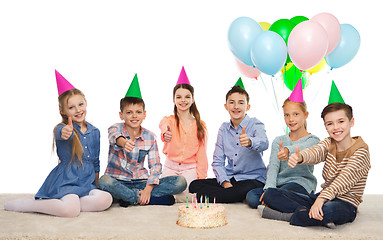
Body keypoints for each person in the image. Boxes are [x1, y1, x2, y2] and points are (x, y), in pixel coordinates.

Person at [259, 84, 371, 228]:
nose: (336, 127)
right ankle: (309, 215)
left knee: (327, 210)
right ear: (325, 126)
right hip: (321, 196)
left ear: (352, 122)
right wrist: (300, 157)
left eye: (341, 121)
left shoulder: (360, 151)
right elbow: (315, 152)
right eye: (330, 124)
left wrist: (321, 200)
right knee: (271, 194)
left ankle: (288, 216)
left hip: (345, 203)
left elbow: (342, 180)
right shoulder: (329, 143)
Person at [4, 70, 112, 217]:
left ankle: (70, 202)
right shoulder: (62, 129)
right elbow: (60, 134)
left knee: (106, 199)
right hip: (67, 181)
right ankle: (30, 204)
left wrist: (96, 185)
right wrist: (66, 132)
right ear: (62, 111)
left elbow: (95, 162)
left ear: (86, 103)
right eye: (71, 107)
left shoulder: (95, 131)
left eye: (80, 104)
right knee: (70, 211)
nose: (78, 110)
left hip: (86, 182)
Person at [98, 74, 187, 207]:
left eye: (138, 112)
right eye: (129, 112)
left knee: (180, 182)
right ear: (121, 115)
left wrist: (147, 189)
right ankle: (138, 197)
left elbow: (155, 166)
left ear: (144, 114)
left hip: (141, 181)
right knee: (103, 181)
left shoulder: (150, 137)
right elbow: (114, 137)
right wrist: (124, 142)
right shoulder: (115, 128)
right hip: (118, 180)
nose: (134, 116)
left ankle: (128, 197)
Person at [189, 78, 268, 203]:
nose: (236, 106)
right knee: (194, 185)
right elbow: (218, 161)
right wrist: (225, 182)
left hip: (253, 179)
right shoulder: (224, 128)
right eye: (232, 102)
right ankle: (227, 194)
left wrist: (250, 142)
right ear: (226, 106)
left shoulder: (255, 124)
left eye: (241, 103)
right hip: (232, 178)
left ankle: (206, 197)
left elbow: (264, 142)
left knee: (235, 192)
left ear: (248, 106)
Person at [246, 79, 319, 208]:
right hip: (279, 185)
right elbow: (273, 167)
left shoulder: (313, 140)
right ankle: (282, 203)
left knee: (281, 195)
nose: (291, 119)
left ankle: (277, 203)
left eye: (296, 114)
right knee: (251, 196)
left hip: (301, 184)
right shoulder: (278, 140)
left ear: (305, 115)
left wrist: (287, 151)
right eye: (287, 115)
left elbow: (302, 148)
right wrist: (268, 190)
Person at [159, 67, 208, 202]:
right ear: (174, 100)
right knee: (167, 191)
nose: (183, 100)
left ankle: (172, 198)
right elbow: (163, 125)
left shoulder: (200, 125)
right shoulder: (169, 120)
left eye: (187, 97)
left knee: (186, 193)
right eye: (179, 97)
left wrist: (201, 179)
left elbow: (202, 154)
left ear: (192, 100)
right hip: (170, 166)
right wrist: (165, 132)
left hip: (189, 169)